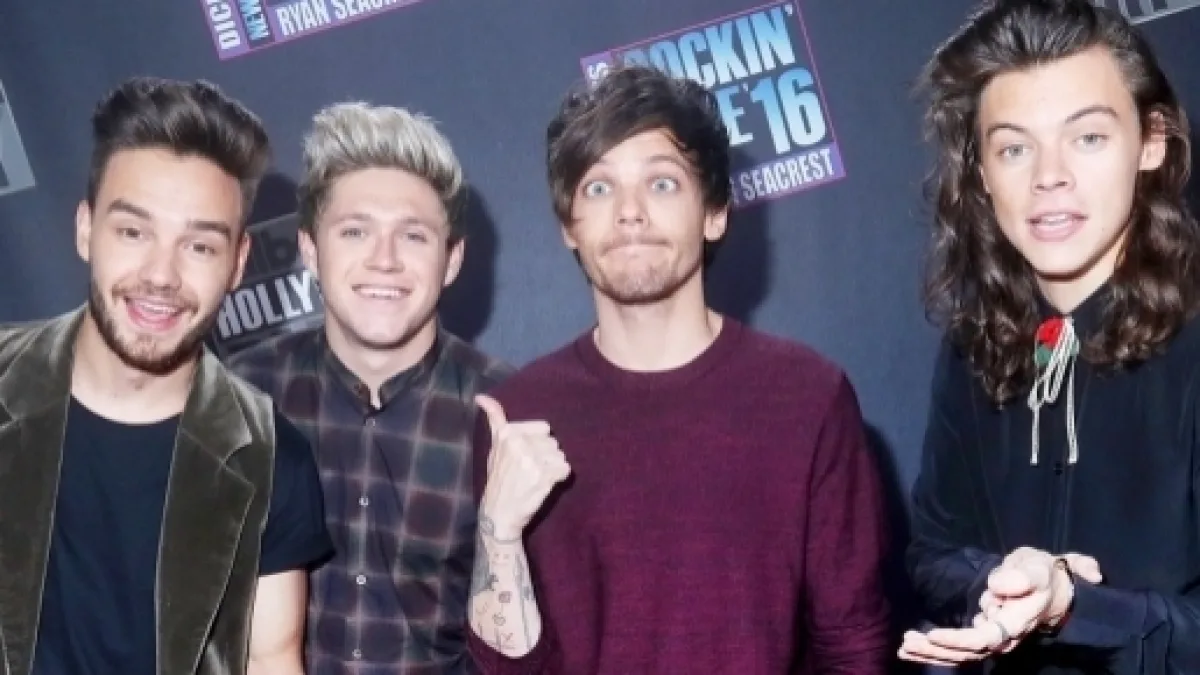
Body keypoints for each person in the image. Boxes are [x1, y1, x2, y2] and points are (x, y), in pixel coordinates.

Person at [463, 65, 892, 674]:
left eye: (661, 183)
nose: (630, 213)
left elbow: (854, 646)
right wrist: (498, 531)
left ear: (714, 213)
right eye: (598, 188)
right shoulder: (518, 418)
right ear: (568, 227)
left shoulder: (808, 396)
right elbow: (507, 670)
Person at [900, 1, 1200, 672]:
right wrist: (1007, 584)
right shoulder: (974, 343)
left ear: (1150, 140)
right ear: (981, 172)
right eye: (1014, 148)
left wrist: (1073, 605)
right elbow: (933, 553)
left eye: (1087, 137)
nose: (1048, 176)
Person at [0, 77, 333, 675]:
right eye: (134, 232)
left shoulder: (266, 457)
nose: (161, 275)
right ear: (85, 229)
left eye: (199, 246)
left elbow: (271, 659)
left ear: (237, 264)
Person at [227, 101, 512, 674]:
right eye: (355, 231)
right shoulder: (241, 397)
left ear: (452, 259)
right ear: (310, 249)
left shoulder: (507, 412)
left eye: (413, 236)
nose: (384, 260)